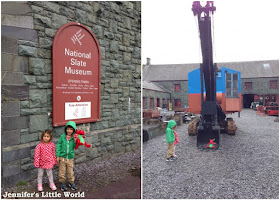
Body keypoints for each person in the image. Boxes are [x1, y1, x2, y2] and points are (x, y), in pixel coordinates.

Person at [56, 121, 78, 191]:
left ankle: (71, 182)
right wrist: (57, 155)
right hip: (62, 158)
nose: (69, 131)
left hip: (70, 158)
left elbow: (75, 147)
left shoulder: (74, 138)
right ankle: (62, 183)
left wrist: (75, 141)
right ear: (65, 129)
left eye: (71, 129)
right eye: (68, 129)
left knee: (70, 172)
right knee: (62, 172)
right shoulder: (62, 137)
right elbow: (59, 146)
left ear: (73, 130)